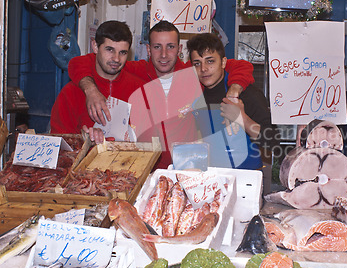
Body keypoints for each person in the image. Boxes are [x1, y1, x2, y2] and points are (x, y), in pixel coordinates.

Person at [68, 21, 255, 168]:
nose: (164, 54)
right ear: (148, 50)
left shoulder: (194, 71)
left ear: (179, 50)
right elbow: (80, 62)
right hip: (147, 170)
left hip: (189, 169)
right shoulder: (135, 71)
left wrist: (234, 90)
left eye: (171, 47)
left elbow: (241, 66)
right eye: (157, 47)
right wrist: (90, 89)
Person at [187, 33, 277, 169]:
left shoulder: (245, 93)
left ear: (223, 62)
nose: (203, 69)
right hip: (212, 178)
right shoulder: (195, 96)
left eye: (210, 61)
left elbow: (272, 140)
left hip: (246, 179)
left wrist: (243, 119)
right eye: (197, 63)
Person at [50, 21, 144, 143]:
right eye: (109, 50)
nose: (116, 58)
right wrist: (82, 141)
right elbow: (59, 144)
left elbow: (149, 141)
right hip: (85, 162)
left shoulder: (140, 89)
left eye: (123, 52)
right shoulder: (71, 92)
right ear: (95, 46)